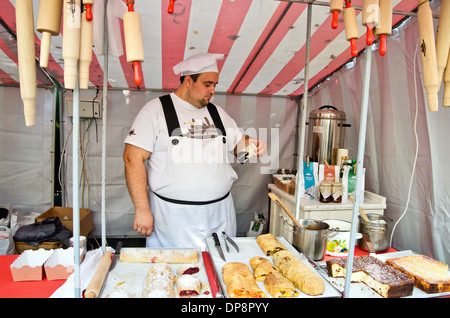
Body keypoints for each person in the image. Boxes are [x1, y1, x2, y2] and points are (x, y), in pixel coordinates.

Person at [123, 53, 267, 250]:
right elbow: (132, 159)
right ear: (188, 80)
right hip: (173, 219)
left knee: (222, 271)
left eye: (215, 85)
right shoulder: (156, 111)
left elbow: (238, 148)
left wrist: (252, 145)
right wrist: (142, 210)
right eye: (207, 84)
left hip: (220, 214)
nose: (212, 90)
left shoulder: (218, 114)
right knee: (177, 274)